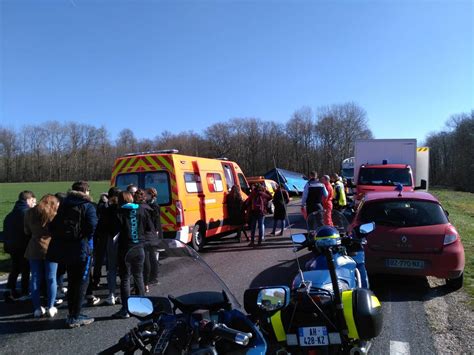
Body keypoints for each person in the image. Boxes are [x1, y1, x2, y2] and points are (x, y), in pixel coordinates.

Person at [47, 181, 98, 328]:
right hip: (81, 248)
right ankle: (75, 316)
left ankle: (72, 313)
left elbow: (53, 225)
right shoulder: (87, 206)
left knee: (72, 281)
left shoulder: (64, 204)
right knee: (82, 282)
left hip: (65, 249)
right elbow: (93, 225)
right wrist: (84, 237)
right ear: (86, 191)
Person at [113, 191, 153, 318]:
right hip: (139, 247)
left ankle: (126, 309)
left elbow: (113, 230)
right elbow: (148, 228)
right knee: (138, 277)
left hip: (125, 248)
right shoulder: (141, 210)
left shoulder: (119, 213)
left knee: (125, 278)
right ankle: (141, 307)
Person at [24, 194, 60, 318]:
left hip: (34, 247)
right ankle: (51, 306)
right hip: (50, 247)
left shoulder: (29, 213)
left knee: (34, 278)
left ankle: (37, 308)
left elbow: (26, 231)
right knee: (51, 278)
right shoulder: (53, 214)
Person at [3, 191, 36, 302]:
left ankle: (9, 289)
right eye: (33, 201)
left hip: (11, 245)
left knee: (15, 268)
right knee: (25, 269)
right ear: (28, 200)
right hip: (24, 245)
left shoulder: (9, 215)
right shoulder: (28, 213)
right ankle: (25, 291)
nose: (33, 204)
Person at [94, 187, 121, 305]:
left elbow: (100, 226)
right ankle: (124, 295)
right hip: (123, 240)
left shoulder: (106, 210)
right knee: (125, 270)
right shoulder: (125, 209)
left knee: (112, 269)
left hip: (110, 239)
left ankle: (111, 294)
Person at [133, 188, 157, 293]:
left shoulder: (137, 209)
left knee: (144, 262)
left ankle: (144, 284)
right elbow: (152, 225)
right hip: (149, 237)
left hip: (142, 238)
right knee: (149, 260)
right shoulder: (149, 208)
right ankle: (147, 283)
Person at [145, 187, 163, 284]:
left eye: (146, 194)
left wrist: (155, 231)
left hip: (154, 233)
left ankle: (154, 277)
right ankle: (152, 276)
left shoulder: (154, 205)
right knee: (152, 256)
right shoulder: (149, 204)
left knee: (153, 256)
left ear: (151, 195)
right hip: (153, 232)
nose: (145, 196)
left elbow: (155, 220)